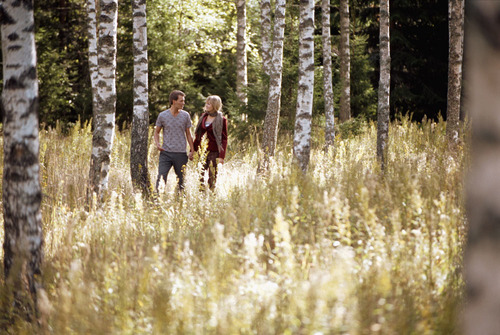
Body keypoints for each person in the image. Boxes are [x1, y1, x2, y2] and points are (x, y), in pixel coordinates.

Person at [154, 90, 194, 192]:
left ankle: (180, 202)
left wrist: (192, 150)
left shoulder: (185, 115)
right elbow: (157, 132)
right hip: (165, 153)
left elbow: (188, 134)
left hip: (181, 153)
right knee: (161, 177)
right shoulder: (162, 115)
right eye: (181, 101)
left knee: (181, 181)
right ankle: (157, 200)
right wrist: (158, 144)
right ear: (173, 101)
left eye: (183, 101)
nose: (183, 103)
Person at [194, 95, 228, 190]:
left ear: (214, 105)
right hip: (202, 151)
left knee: (212, 177)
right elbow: (198, 135)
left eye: (209, 104)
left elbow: (224, 139)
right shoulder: (203, 117)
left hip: (214, 152)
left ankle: (211, 196)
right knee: (200, 175)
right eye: (206, 103)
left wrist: (221, 156)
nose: (206, 105)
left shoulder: (222, 119)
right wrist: (193, 150)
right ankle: (201, 194)